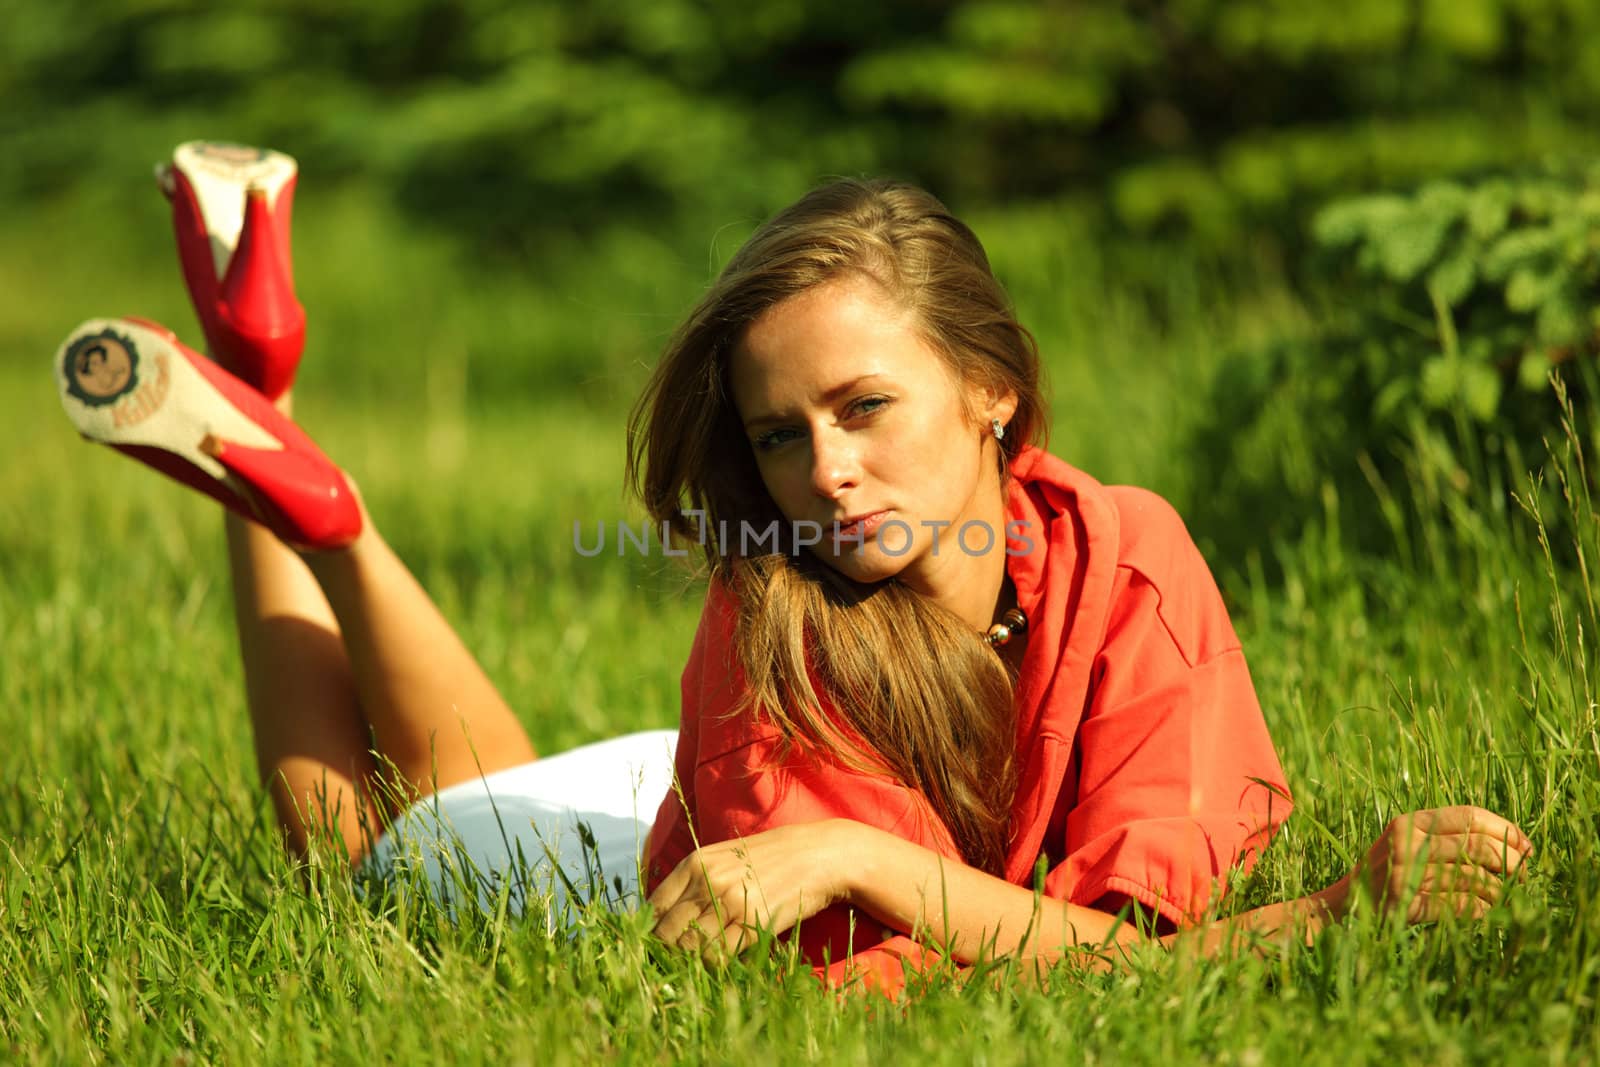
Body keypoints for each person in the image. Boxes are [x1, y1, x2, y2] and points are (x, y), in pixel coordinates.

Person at [55, 142, 1532, 996]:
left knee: (459, 795)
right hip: (656, 850)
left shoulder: (1128, 555)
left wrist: (855, 857)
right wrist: (1336, 914)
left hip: (673, 799)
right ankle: (296, 499)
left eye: (866, 409)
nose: (822, 472)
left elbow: (1141, 943)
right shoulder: (775, 611)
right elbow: (919, 986)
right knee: (358, 854)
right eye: (778, 434)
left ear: (994, 387)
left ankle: (270, 420)